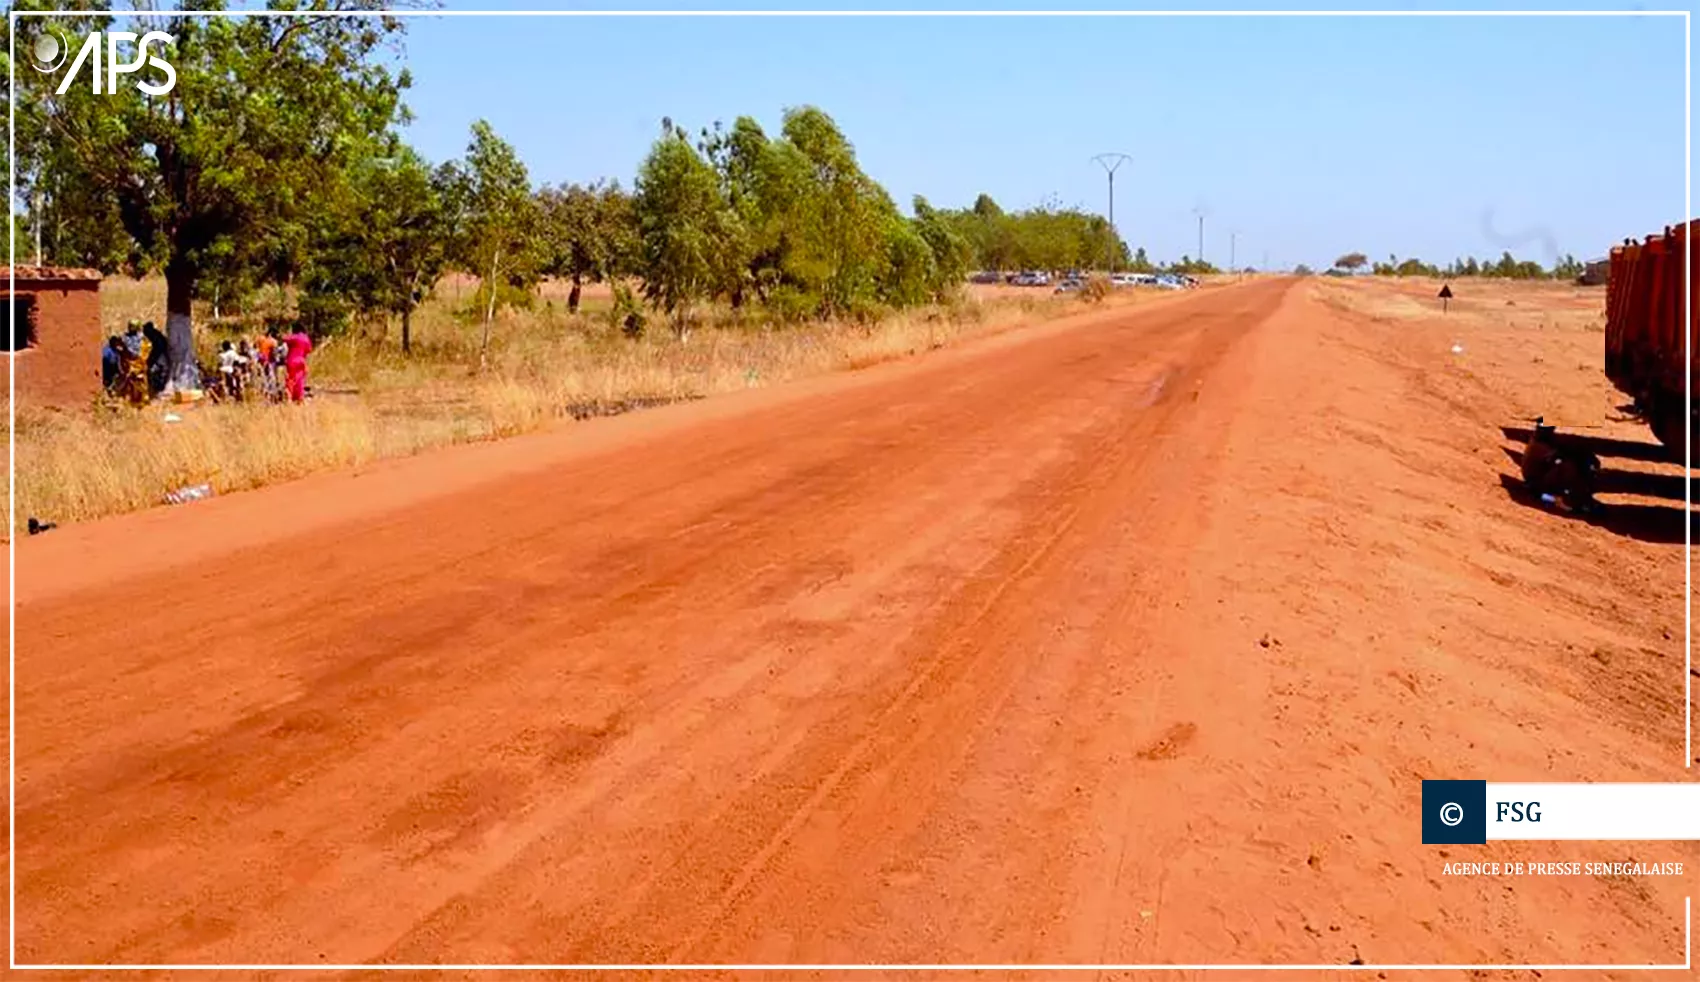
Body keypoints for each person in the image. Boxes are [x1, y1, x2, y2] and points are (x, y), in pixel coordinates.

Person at [283, 326, 313, 403]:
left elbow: (285, 339)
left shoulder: (295, 337)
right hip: (301, 361)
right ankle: (299, 397)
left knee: (291, 379)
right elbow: (309, 350)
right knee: (300, 379)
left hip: (292, 360)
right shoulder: (306, 338)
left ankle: (289, 397)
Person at [142, 321, 171, 396]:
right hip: (161, 355)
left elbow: (158, 349)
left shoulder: (154, 336)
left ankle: (158, 389)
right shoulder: (155, 334)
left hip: (161, 356)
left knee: (156, 371)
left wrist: (150, 360)